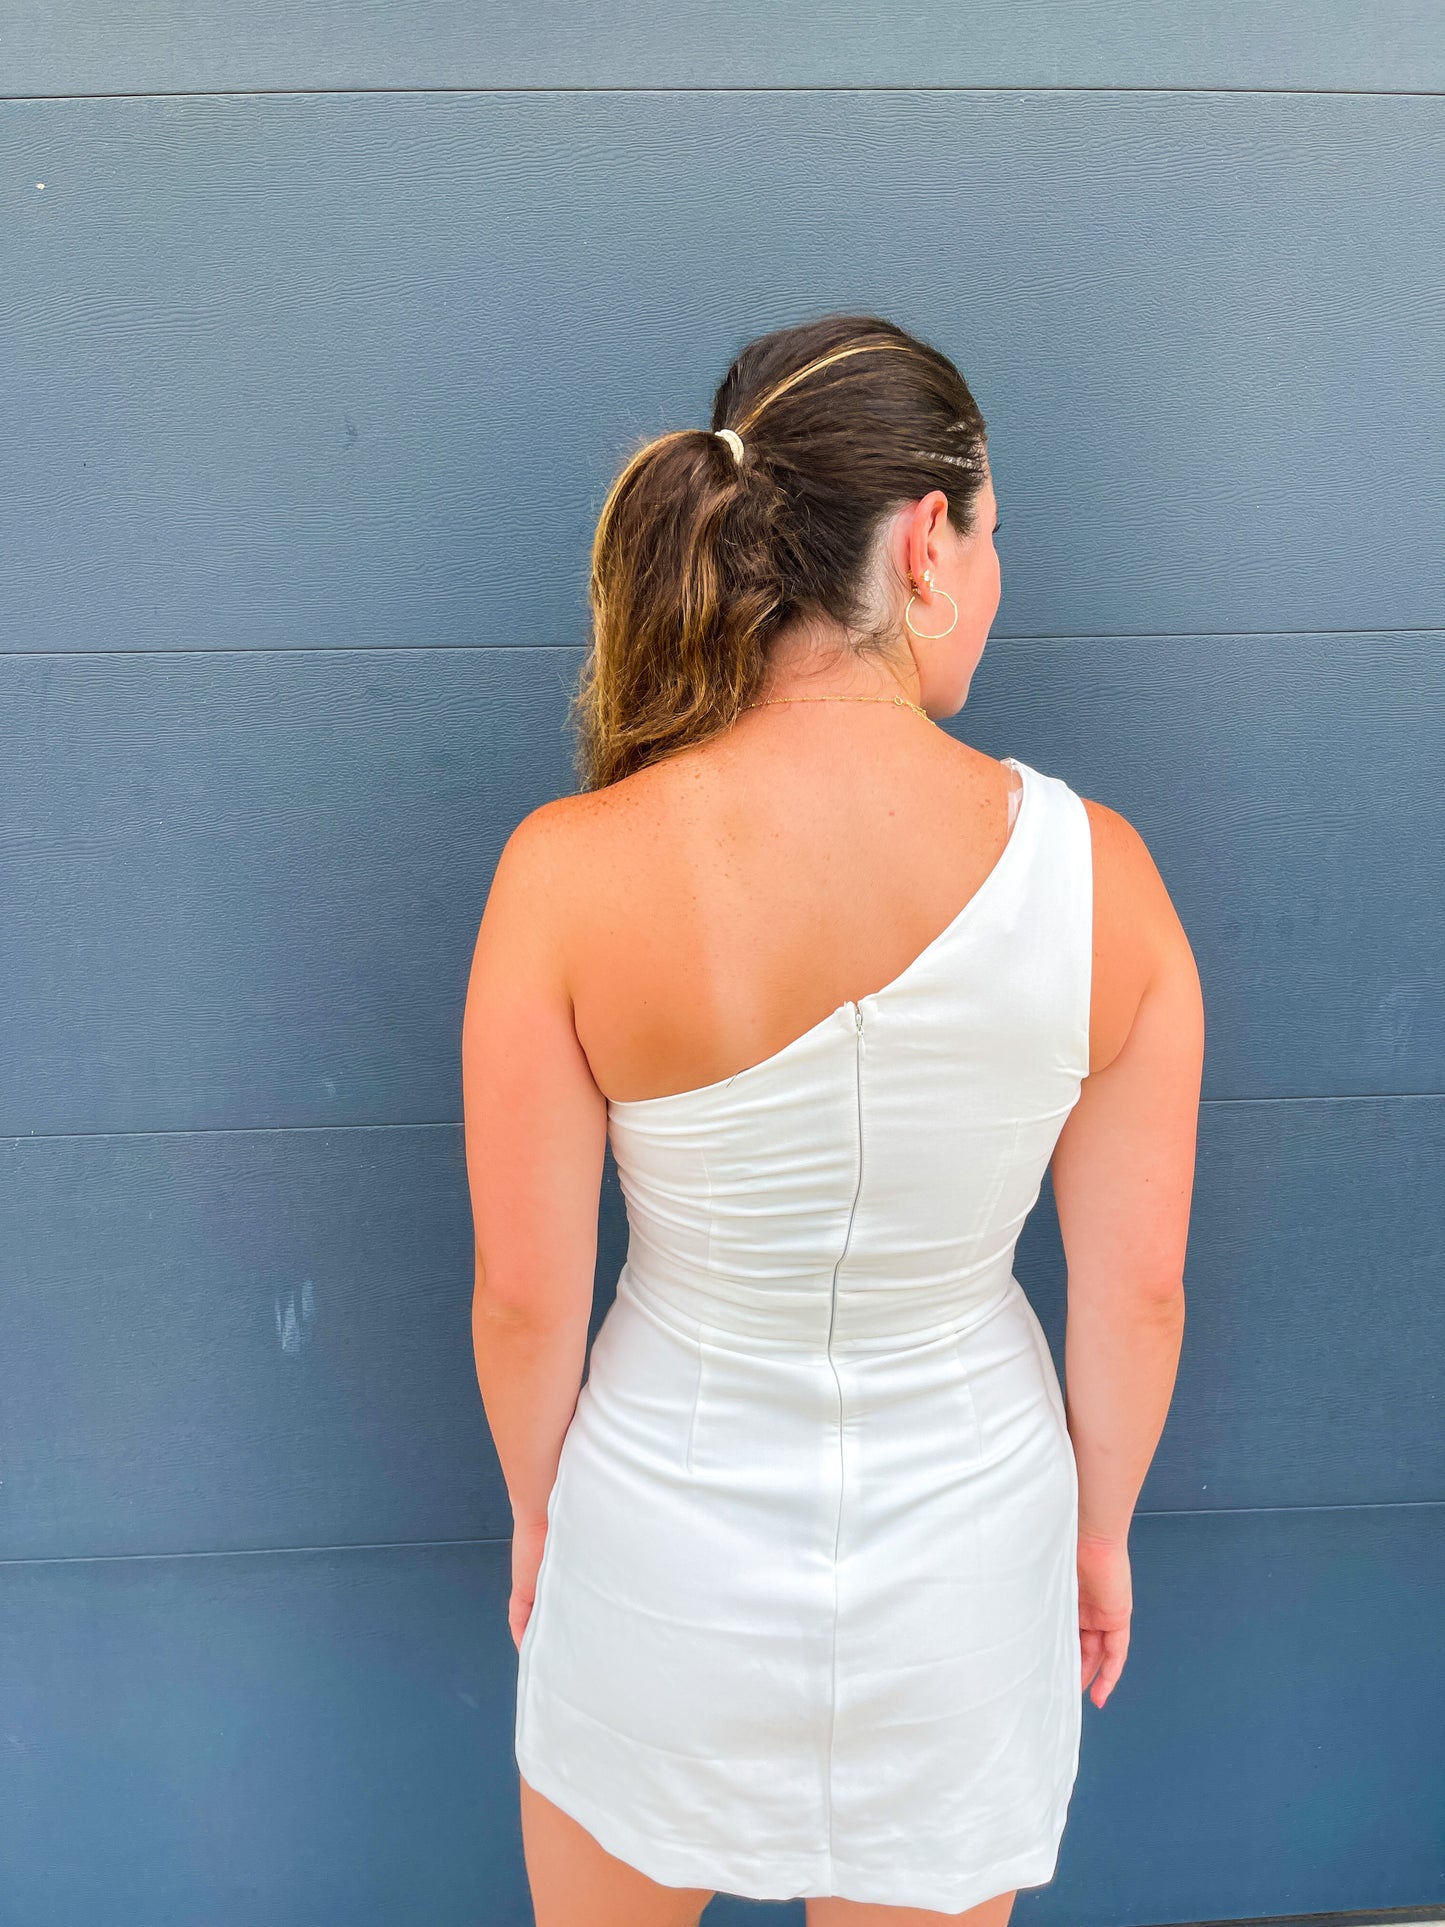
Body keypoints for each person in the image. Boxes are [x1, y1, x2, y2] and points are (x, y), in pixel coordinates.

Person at [462, 313, 1203, 1927]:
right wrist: (1099, 1533)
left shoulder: (564, 872)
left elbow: (524, 1299)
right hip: (967, 1549)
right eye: (995, 533)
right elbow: (1137, 1295)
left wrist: (542, 1516)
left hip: (658, 1529)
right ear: (926, 542)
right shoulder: (1111, 887)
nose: (998, 578)